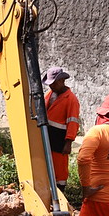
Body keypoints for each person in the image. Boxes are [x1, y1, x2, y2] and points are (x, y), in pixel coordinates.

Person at [42, 66, 81, 194]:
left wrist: (68, 142)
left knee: (59, 167)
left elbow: (73, 122)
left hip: (60, 138)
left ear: (61, 81)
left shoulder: (71, 99)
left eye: (53, 84)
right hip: (47, 134)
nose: (51, 86)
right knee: (46, 163)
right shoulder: (50, 94)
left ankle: (60, 192)